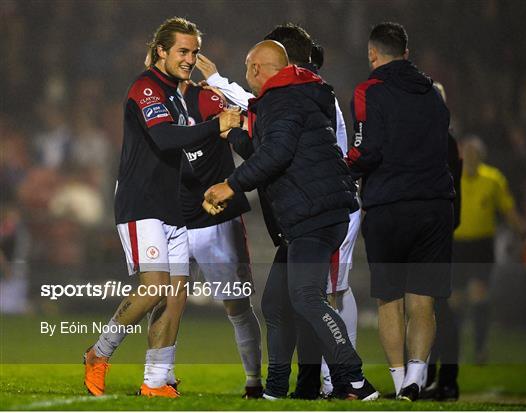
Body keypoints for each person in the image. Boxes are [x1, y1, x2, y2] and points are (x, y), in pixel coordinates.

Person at [204, 40, 379, 401]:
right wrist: (234, 134)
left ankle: (355, 378)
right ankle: (277, 389)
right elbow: (269, 150)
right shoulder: (296, 94)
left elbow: (276, 154)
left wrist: (230, 185)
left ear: (255, 69)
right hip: (309, 215)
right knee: (276, 304)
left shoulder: (281, 98)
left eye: (249, 69)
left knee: (305, 297)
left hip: (313, 214)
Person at [83, 17, 241, 398]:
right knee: (154, 289)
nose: (190, 59)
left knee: (175, 295)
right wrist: (216, 123)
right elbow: (165, 138)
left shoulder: (176, 93)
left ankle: (156, 380)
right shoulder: (146, 88)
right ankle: (98, 353)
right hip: (141, 204)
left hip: (173, 206)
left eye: (194, 52)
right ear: (161, 51)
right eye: (183, 51)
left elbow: (185, 148)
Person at [345, 22, 455, 401]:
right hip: (434, 205)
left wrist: (342, 168)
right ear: (406, 53)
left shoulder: (368, 90)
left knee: (389, 299)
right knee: (423, 299)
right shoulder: (433, 93)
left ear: (373, 54)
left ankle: (399, 383)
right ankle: (416, 378)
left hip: (389, 205)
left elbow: (365, 150)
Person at [174, 79, 263, 398]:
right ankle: (157, 377)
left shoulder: (207, 98)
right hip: (174, 221)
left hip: (219, 220)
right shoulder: (153, 103)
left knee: (237, 305)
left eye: (190, 54)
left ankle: (254, 381)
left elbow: (236, 124)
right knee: (165, 302)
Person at [452, 135, 523, 365]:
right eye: (467, 153)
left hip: (482, 245)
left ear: (481, 157)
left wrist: (524, 233)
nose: (470, 158)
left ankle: (481, 349)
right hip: (457, 245)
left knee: (479, 296)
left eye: (475, 154)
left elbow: (508, 210)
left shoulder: (493, 179)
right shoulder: (453, 176)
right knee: (456, 300)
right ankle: (456, 350)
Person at [422, 81, 462, 401]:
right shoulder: (444, 141)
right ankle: (431, 376)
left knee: (438, 310)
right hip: (437, 234)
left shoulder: (442, 143)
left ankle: (444, 379)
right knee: (430, 308)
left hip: (435, 236)